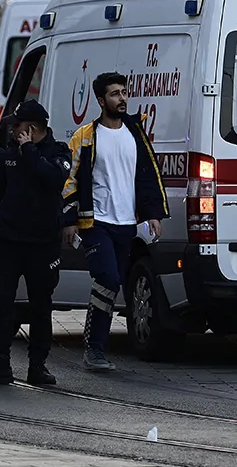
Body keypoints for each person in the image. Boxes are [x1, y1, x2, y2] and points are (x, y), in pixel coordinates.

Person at [62, 72, 168, 372]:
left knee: (112, 284)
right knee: (107, 278)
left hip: (126, 224)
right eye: (114, 94)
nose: (122, 99)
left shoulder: (135, 133)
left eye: (124, 92)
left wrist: (153, 213)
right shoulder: (85, 136)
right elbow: (70, 180)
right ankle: (94, 347)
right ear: (101, 100)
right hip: (96, 223)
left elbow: (148, 174)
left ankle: (96, 347)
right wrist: (69, 220)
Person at [0, 100, 72, 386]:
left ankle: (38, 365)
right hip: (7, 242)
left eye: (17, 126)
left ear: (31, 129)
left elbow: (54, 179)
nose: (12, 131)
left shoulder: (59, 152)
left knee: (41, 306)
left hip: (42, 244)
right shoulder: (9, 154)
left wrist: (30, 150)